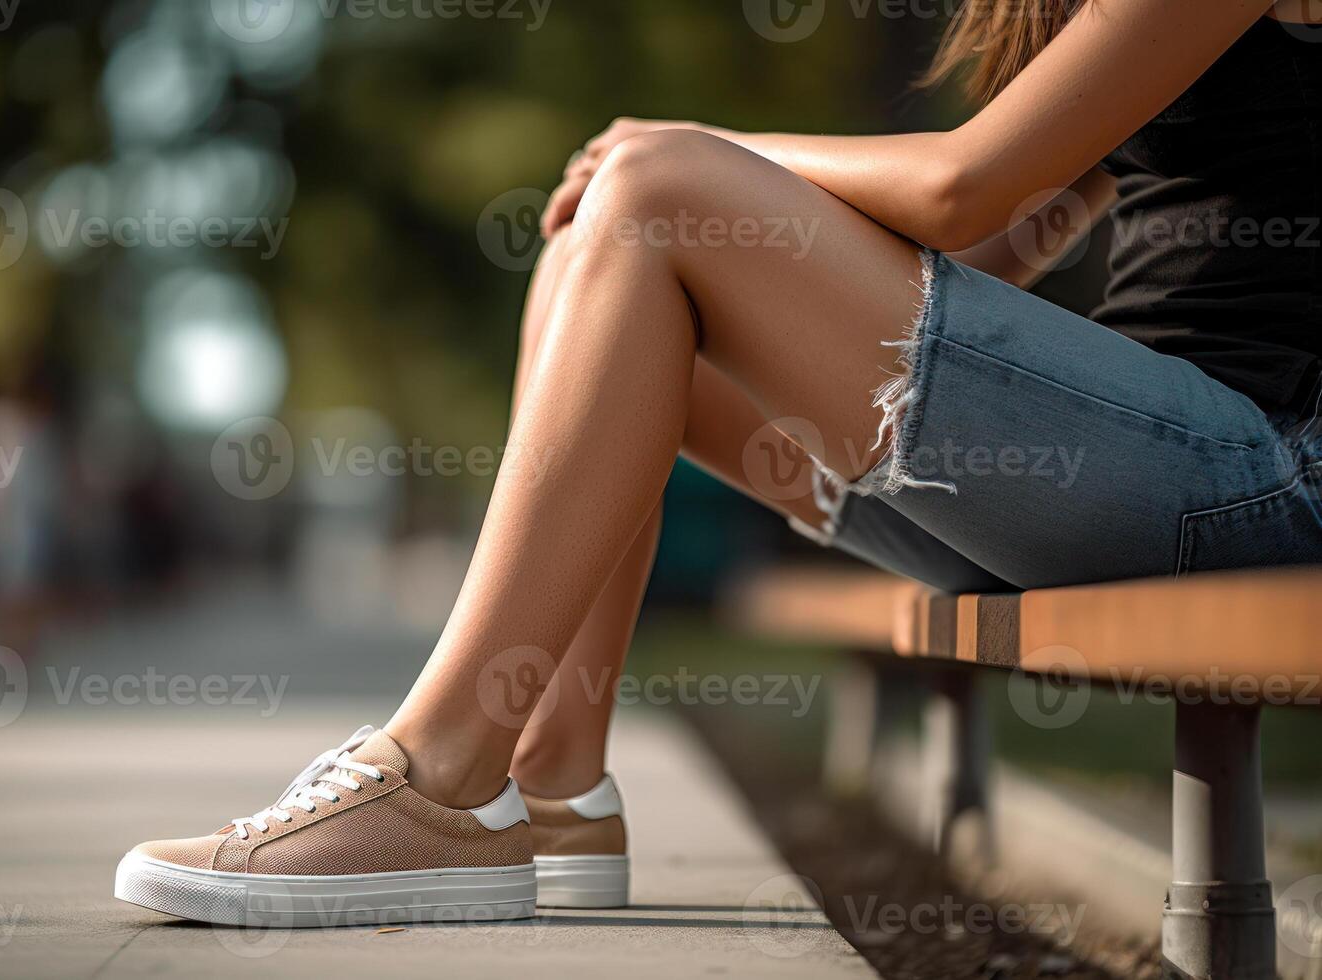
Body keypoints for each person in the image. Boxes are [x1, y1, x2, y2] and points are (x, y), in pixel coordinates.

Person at [115, 0, 1322, 926]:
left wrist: (699, 152)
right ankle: (551, 793)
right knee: (593, 267)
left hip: (1253, 477)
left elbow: (961, 186)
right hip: (1123, 482)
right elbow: (1007, 243)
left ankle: (434, 773)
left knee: (656, 194)